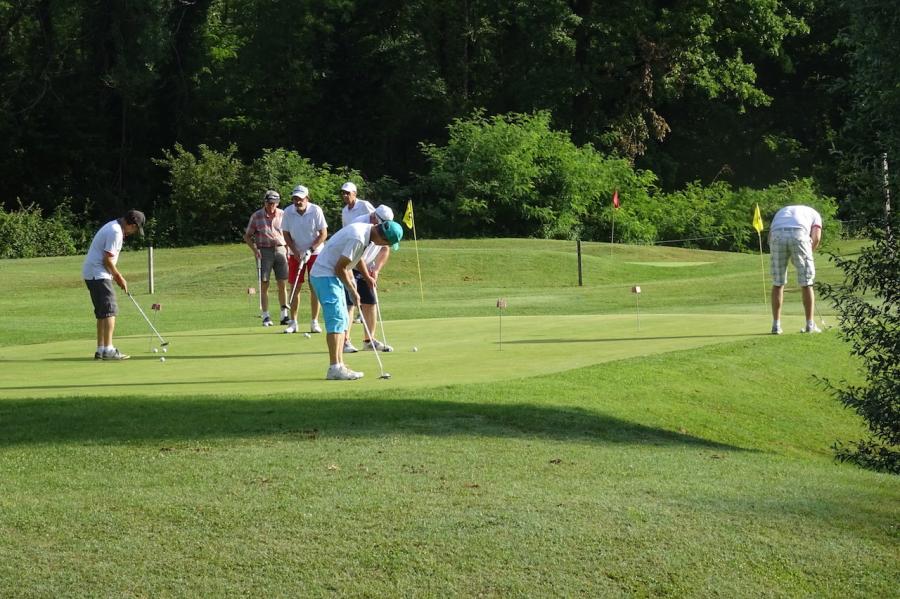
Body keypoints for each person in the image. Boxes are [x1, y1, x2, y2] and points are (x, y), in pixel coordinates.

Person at [309, 219, 403, 380]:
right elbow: (340, 267)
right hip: (325, 275)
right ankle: (335, 367)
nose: (382, 246)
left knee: (343, 319)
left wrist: (366, 277)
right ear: (383, 238)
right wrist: (353, 290)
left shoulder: (366, 233)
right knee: (336, 320)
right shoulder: (359, 237)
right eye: (386, 243)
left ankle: (339, 364)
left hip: (330, 275)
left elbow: (356, 257)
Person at [81, 209, 146, 360]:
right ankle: (109, 350)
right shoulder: (116, 231)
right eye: (135, 229)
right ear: (131, 224)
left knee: (103, 313)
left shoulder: (113, 227)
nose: (134, 232)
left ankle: (101, 349)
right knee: (110, 310)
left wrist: (114, 276)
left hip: (92, 273)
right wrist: (119, 277)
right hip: (99, 273)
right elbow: (107, 260)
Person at [344, 204, 395, 353]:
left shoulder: (384, 227)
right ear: (374, 217)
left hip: (366, 265)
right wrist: (366, 275)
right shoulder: (359, 224)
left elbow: (385, 248)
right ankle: (345, 341)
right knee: (350, 303)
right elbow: (356, 256)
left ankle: (369, 340)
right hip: (349, 264)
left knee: (370, 301)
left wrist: (376, 269)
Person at [769, 204, 823, 334]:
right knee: (806, 282)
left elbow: (770, 237)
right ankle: (810, 325)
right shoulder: (815, 215)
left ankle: (776, 326)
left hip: (777, 235)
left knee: (778, 282)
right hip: (799, 234)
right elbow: (816, 238)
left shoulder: (781, 212)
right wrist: (807, 255)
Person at [281, 185, 328, 334]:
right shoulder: (288, 212)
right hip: (295, 254)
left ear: (307, 198)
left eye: (300, 199)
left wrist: (311, 250)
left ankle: (314, 322)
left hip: (316, 253)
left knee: (314, 286)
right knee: (295, 286)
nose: (297, 201)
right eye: (295, 198)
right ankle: (293, 322)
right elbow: (286, 234)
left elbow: (323, 234)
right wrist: (294, 251)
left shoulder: (316, 210)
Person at [243, 190, 289, 326]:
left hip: (281, 249)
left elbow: (288, 233)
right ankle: (266, 316)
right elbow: (247, 236)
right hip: (264, 251)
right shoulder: (257, 216)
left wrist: (288, 249)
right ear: (265, 202)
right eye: (269, 203)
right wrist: (255, 249)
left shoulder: (283, 214)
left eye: (274, 203)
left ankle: (284, 315)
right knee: (264, 284)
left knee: (282, 283)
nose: (271, 206)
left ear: (278, 203)